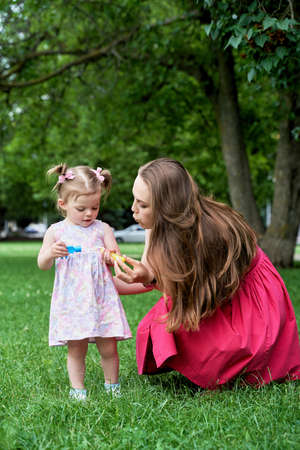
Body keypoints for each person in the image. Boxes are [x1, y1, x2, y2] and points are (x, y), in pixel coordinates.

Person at [114, 157, 300, 390]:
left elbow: (187, 291)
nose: (133, 209)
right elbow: (151, 276)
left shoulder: (206, 235)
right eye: (134, 199)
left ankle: (224, 373)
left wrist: (149, 278)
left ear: (166, 207)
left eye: (142, 204)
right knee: (158, 321)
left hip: (248, 294)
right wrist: (108, 284)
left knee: (189, 322)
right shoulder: (156, 227)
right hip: (215, 290)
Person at [38, 164, 132, 400]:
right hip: (73, 301)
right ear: (63, 204)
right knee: (76, 347)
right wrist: (51, 252)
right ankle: (78, 390)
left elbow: (117, 259)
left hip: (101, 299)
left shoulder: (103, 229)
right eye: (81, 208)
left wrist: (110, 256)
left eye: (95, 207)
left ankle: (113, 386)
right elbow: (42, 263)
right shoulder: (56, 232)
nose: (89, 213)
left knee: (108, 346)